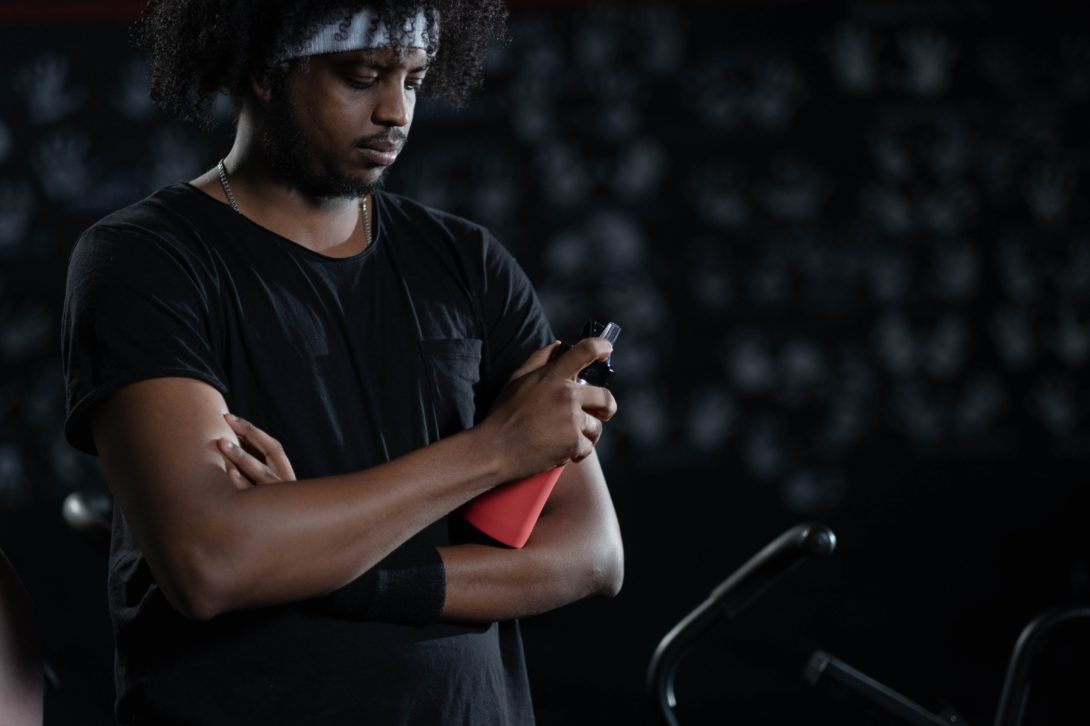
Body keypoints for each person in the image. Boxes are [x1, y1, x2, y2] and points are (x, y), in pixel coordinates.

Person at [59, 1, 624, 724]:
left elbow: (589, 554)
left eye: (414, 80)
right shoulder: (147, 261)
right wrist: (494, 449)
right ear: (267, 70)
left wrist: (328, 572)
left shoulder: (469, 264)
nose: (396, 112)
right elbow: (212, 562)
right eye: (363, 77)